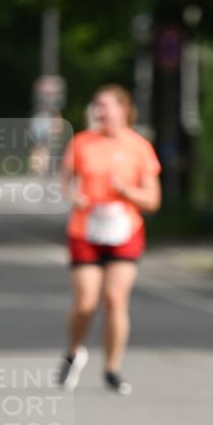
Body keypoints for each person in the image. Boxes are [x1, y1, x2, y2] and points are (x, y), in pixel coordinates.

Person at [57, 85, 161, 394]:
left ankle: (112, 368)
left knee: (115, 299)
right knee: (86, 301)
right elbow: (65, 180)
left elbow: (152, 200)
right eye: (96, 106)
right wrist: (72, 195)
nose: (99, 111)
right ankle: (74, 352)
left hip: (123, 231)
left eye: (105, 106)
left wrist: (126, 191)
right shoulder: (81, 142)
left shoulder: (139, 147)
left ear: (124, 109)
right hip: (86, 230)